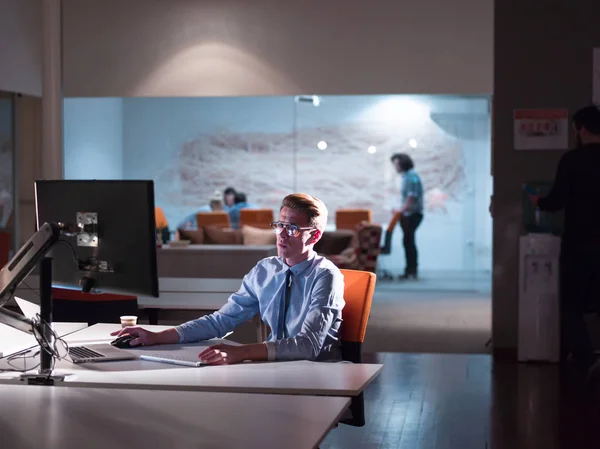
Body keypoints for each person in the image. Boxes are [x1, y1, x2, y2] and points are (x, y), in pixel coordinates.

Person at [112, 193, 345, 365]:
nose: (282, 234)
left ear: (314, 235)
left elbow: (308, 346)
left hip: (316, 373)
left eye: (292, 228)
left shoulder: (326, 276)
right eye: (280, 225)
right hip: (275, 369)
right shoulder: (265, 270)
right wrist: (158, 336)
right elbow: (220, 322)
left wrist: (241, 352)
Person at [529, 105, 600, 371]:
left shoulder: (572, 160)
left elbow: (556, 200)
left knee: (572, 304)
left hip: (579, 242)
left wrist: (539, 202)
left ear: (581, 129)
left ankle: (585, 357)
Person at [391, 153, 424, 280]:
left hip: (412, 215)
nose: (395, 167)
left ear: (402, 163)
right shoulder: (408, 177)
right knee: (408, 241)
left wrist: (401, 210)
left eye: (396, 164)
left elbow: (411, 197)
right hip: (410, 214)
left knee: (409, 242)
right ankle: (410, 270)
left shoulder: (411, 177)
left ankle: (411, 270)